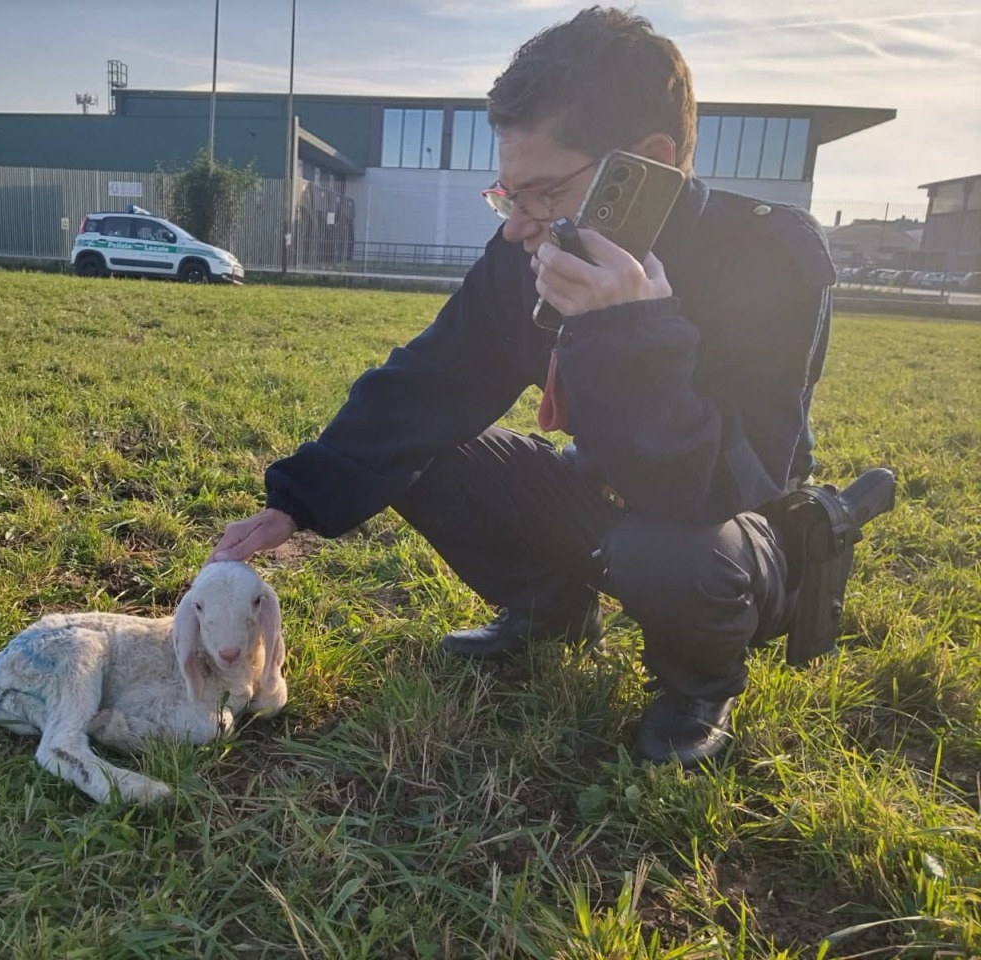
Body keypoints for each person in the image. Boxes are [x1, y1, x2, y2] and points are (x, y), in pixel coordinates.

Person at [207, 6, 836, 768]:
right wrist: (299, 498)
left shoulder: (768, 255)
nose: (517, 224)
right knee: (421, 447)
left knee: (664, 544)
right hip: (602, 492)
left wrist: (628, 330)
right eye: (508, 195)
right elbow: (429, 382)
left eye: (541, 192)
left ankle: (698, 684)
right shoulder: (531, 247)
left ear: (648, 160)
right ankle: (553, 610)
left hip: (732, 529)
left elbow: (715, 485)